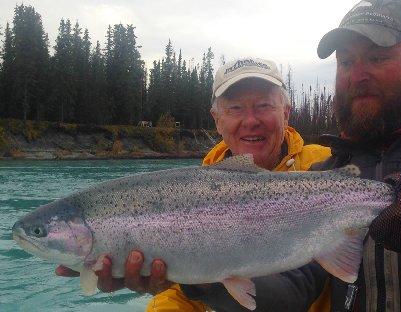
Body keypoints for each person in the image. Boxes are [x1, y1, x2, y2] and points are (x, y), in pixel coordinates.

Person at [172, 0, 401, 311]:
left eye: (377, 57)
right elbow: (294, 289)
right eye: (345, 62)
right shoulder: (330, 174)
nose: (357, 75)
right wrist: (202, 279)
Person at [56, 57, 332, 312]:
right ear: (217, 119)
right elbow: (181, 295)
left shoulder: (328, 167)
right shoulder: (191, 195)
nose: (251, 121)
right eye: (235, 108)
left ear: (286, 112)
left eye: (264, 106)